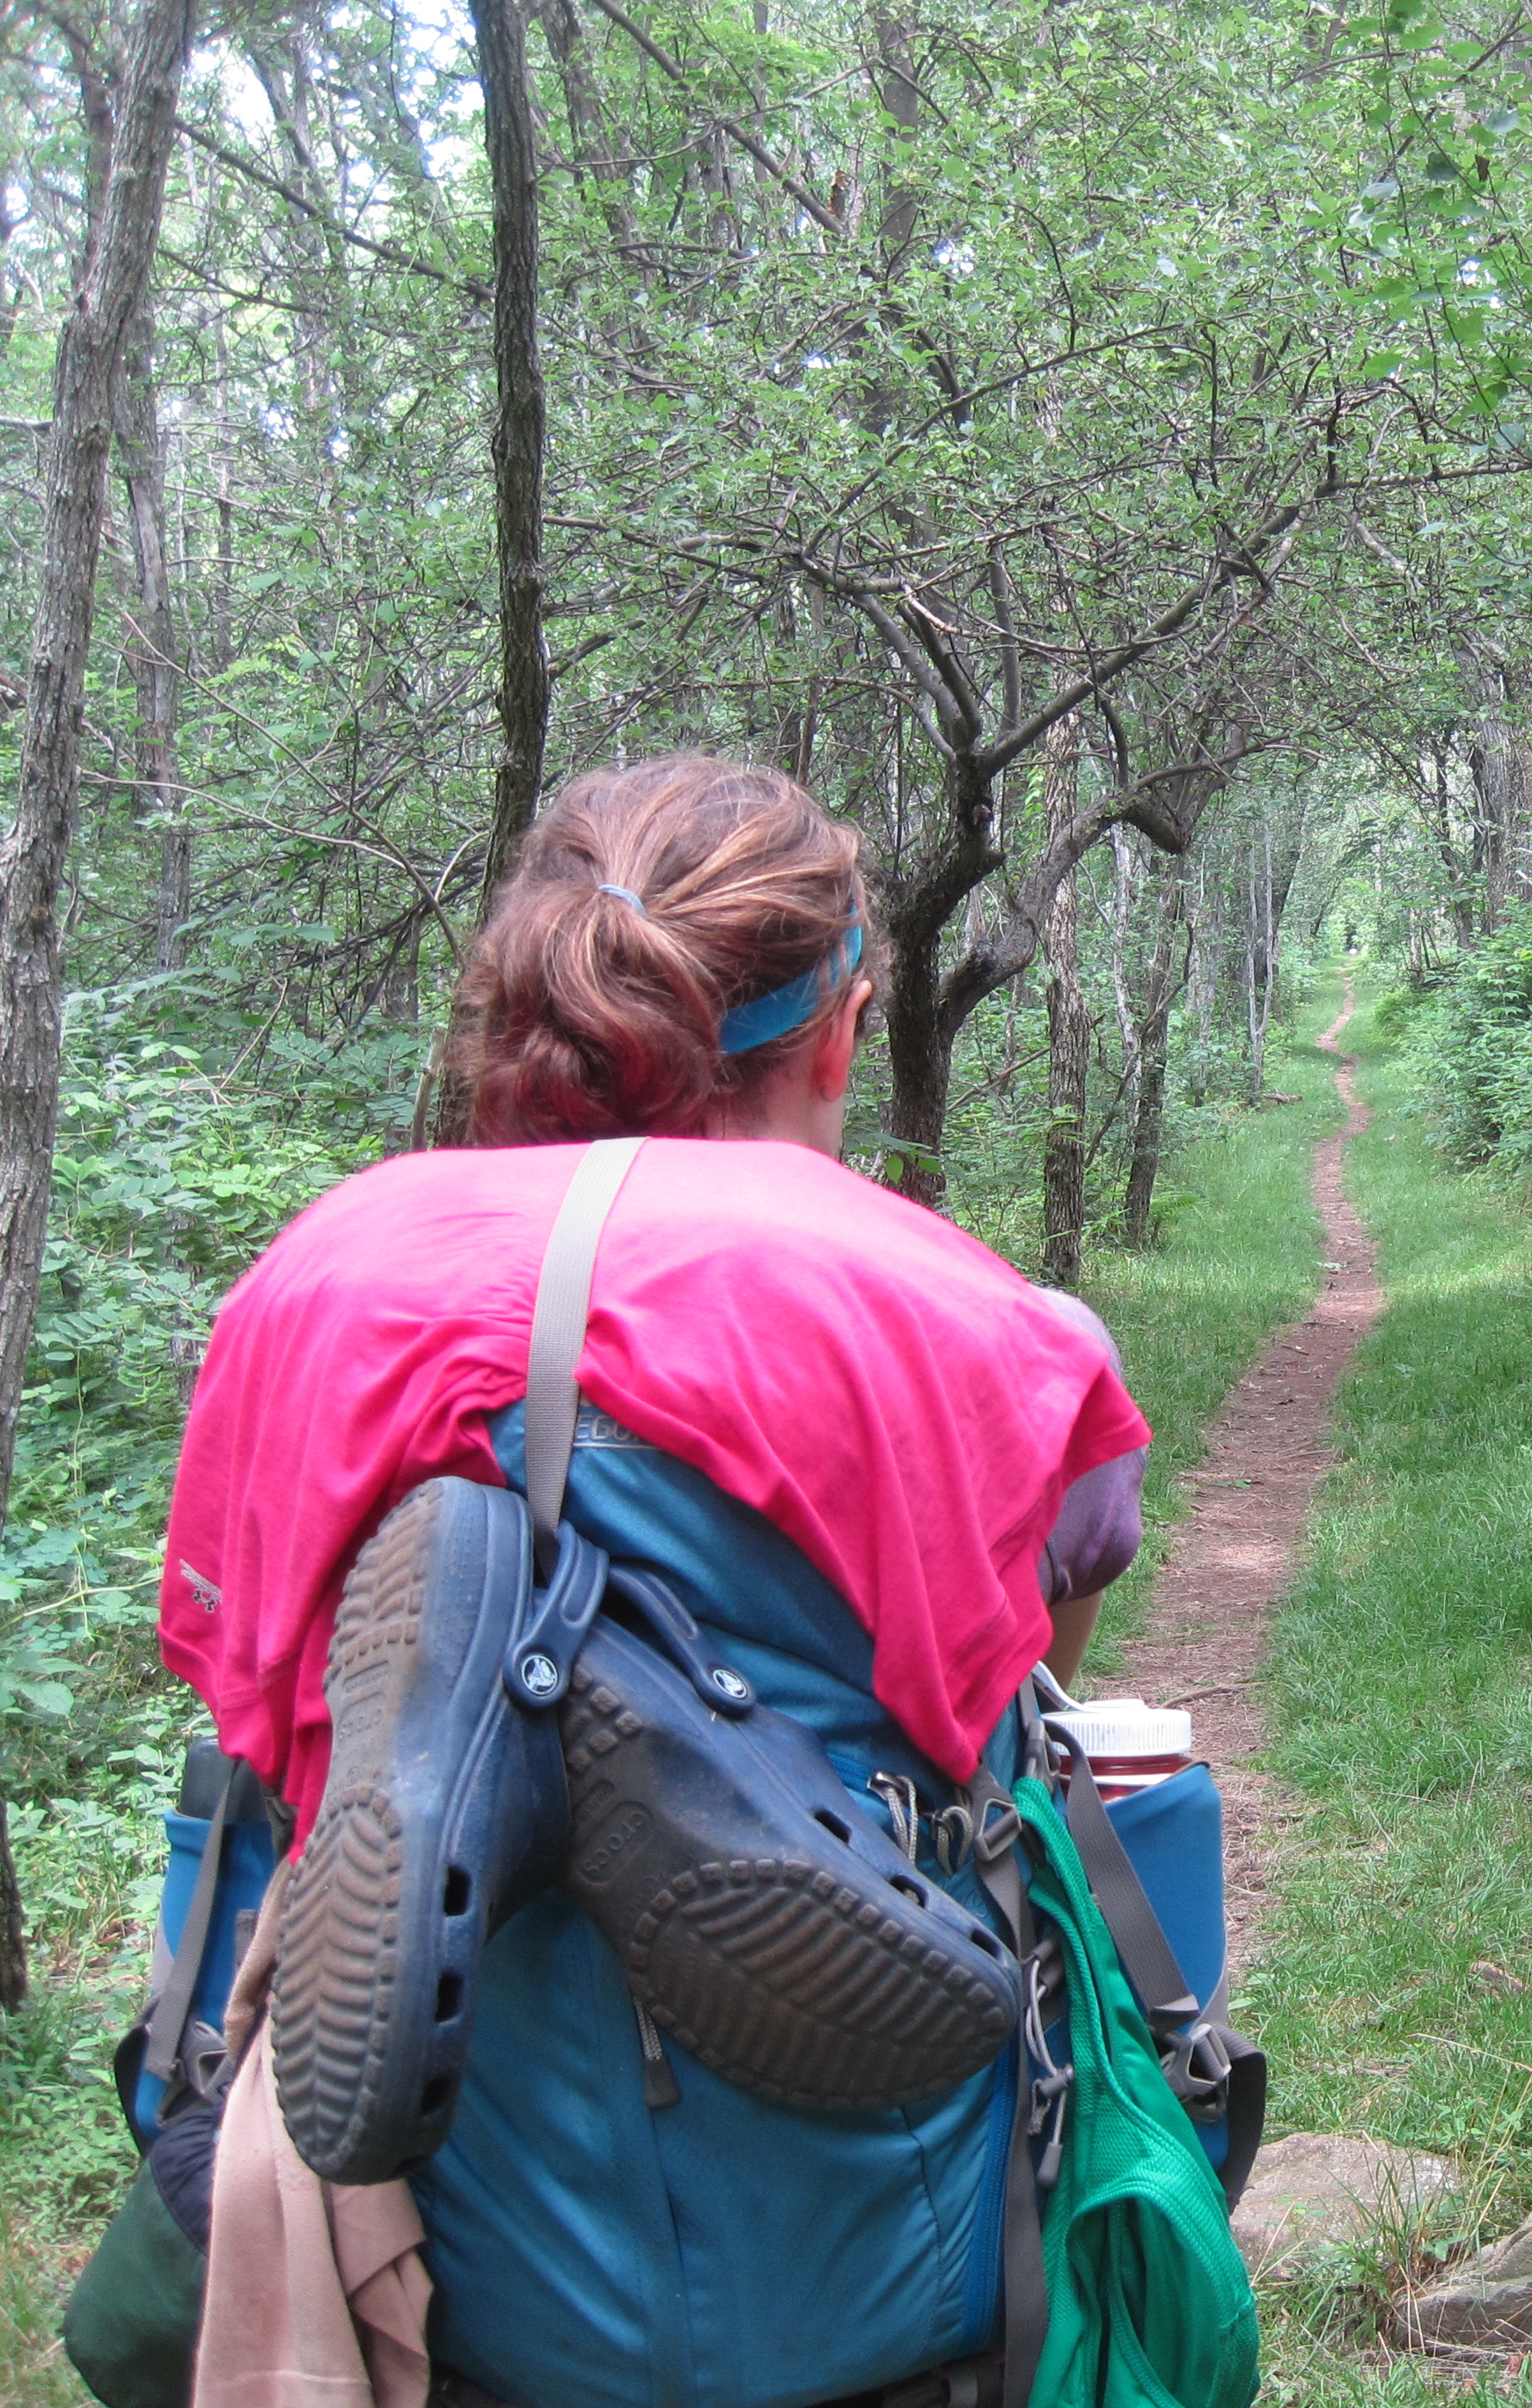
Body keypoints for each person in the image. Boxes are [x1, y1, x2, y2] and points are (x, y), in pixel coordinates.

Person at [159, 756, 1155, 2408]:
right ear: (840, 1034)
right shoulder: (995, 1333)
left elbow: (247, 1705)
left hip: (439, 2253)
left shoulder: (305, 1289)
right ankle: (698, 1749)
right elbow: (1020, 1702)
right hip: (876, 2261)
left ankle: (505, 1699)